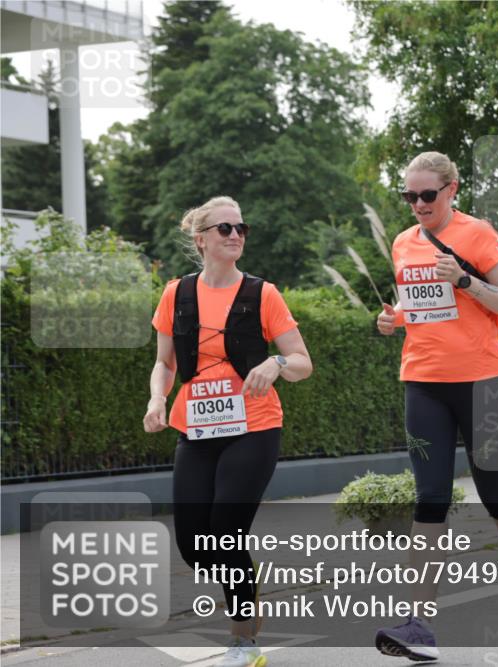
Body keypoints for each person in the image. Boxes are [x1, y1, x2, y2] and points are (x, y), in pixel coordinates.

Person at [373, 152, 498, 660]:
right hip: (424, 380)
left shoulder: (478, 234)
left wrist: (466, 279)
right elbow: (422, 304)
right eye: (410, 196)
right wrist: (397, 317)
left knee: (495, 493)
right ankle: (420, 625)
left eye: (427, 195)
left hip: (485, 380)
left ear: (452, 190)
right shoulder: (404, 243)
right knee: (429, 498)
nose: (418, 204)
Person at [143, 196, 312, 667]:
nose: (235, 234)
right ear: (201, 240)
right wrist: (158, 398)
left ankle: (243, 642)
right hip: (195, 427)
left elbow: (302, 362)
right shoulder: (176, 294)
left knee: (226, 532)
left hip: (253, 427)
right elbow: (163, 362)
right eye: (224, 229)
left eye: (241, 227)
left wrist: (276, 363)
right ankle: (248, 596)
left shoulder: (263, 294)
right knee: (194, 542)